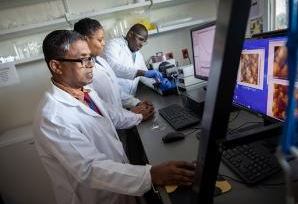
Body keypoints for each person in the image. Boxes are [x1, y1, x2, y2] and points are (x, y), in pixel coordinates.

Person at [33, 30, 195, 204]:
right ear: (56, 66)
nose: (91, 64)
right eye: (83, 59)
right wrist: (151, 174)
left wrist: (137, 116)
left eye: (90, 58)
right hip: (93, 197)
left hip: (117, 185)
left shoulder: (85, 91)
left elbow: (110, 113)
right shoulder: (53, 117)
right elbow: (90, 169)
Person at [73, 18, 153, 119]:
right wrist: (131, 115)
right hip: (112, 122)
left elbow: (115, 91)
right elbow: (100, 111)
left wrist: (136, 103)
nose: (104, 43)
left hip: (121, 116)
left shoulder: (100, 62)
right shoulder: (82, 74)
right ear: (85, 40)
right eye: (99, 39)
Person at [103, 23, 170, 96]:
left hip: (130, 100)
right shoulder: (113, 44)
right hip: (115, 98)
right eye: (140, 39)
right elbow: (113, 67)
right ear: (130, 34)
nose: (141, 44)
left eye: (144, 42)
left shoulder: (139, 55)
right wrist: (141, 72)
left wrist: (158, 84)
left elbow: (145, 77)